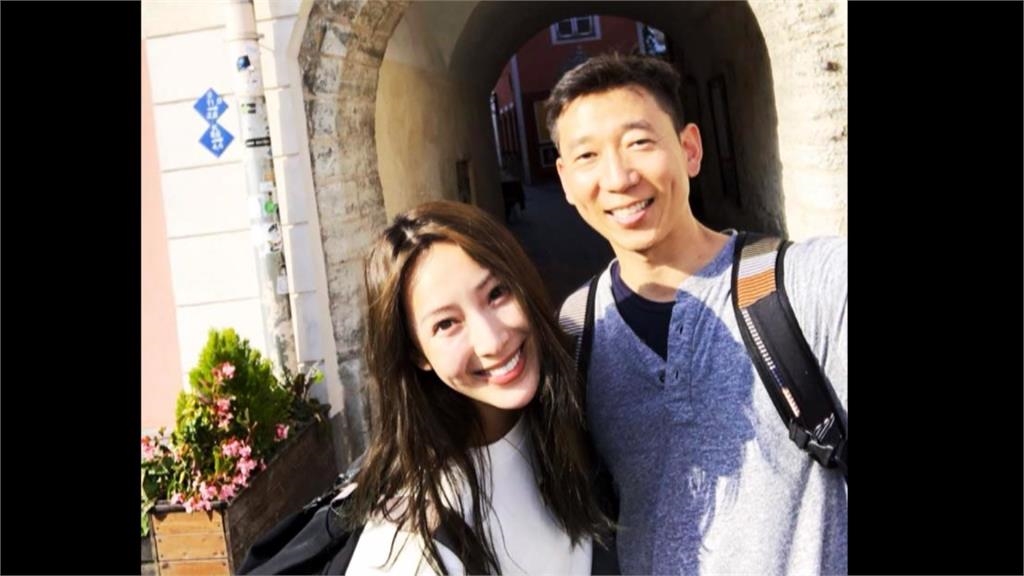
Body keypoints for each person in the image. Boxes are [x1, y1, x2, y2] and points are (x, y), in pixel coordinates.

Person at [546, 53, 848, 575]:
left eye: (639, 142)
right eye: (588, 156)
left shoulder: (804, 286)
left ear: (689, 149)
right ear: (567, 181)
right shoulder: (577, 327)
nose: (618, 177)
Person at [345, 200, 615, 574]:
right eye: (446, 324)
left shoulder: (577, 417)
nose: (492, 340)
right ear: (417, 353)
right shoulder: (412, 545)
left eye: (496, 293)